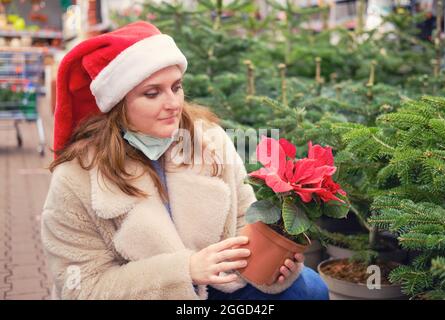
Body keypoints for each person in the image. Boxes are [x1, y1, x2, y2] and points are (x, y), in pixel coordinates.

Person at [41, 21, 329, 300]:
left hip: (219, 284)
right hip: (147, 293)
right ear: (117, 105)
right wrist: (185, 271)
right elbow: (81, 287)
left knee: (309, 288)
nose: (173, 103)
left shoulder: (210, 140)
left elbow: (244, 220)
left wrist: (272, 264)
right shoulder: (76, 178)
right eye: (152, 93)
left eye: (176, 87)